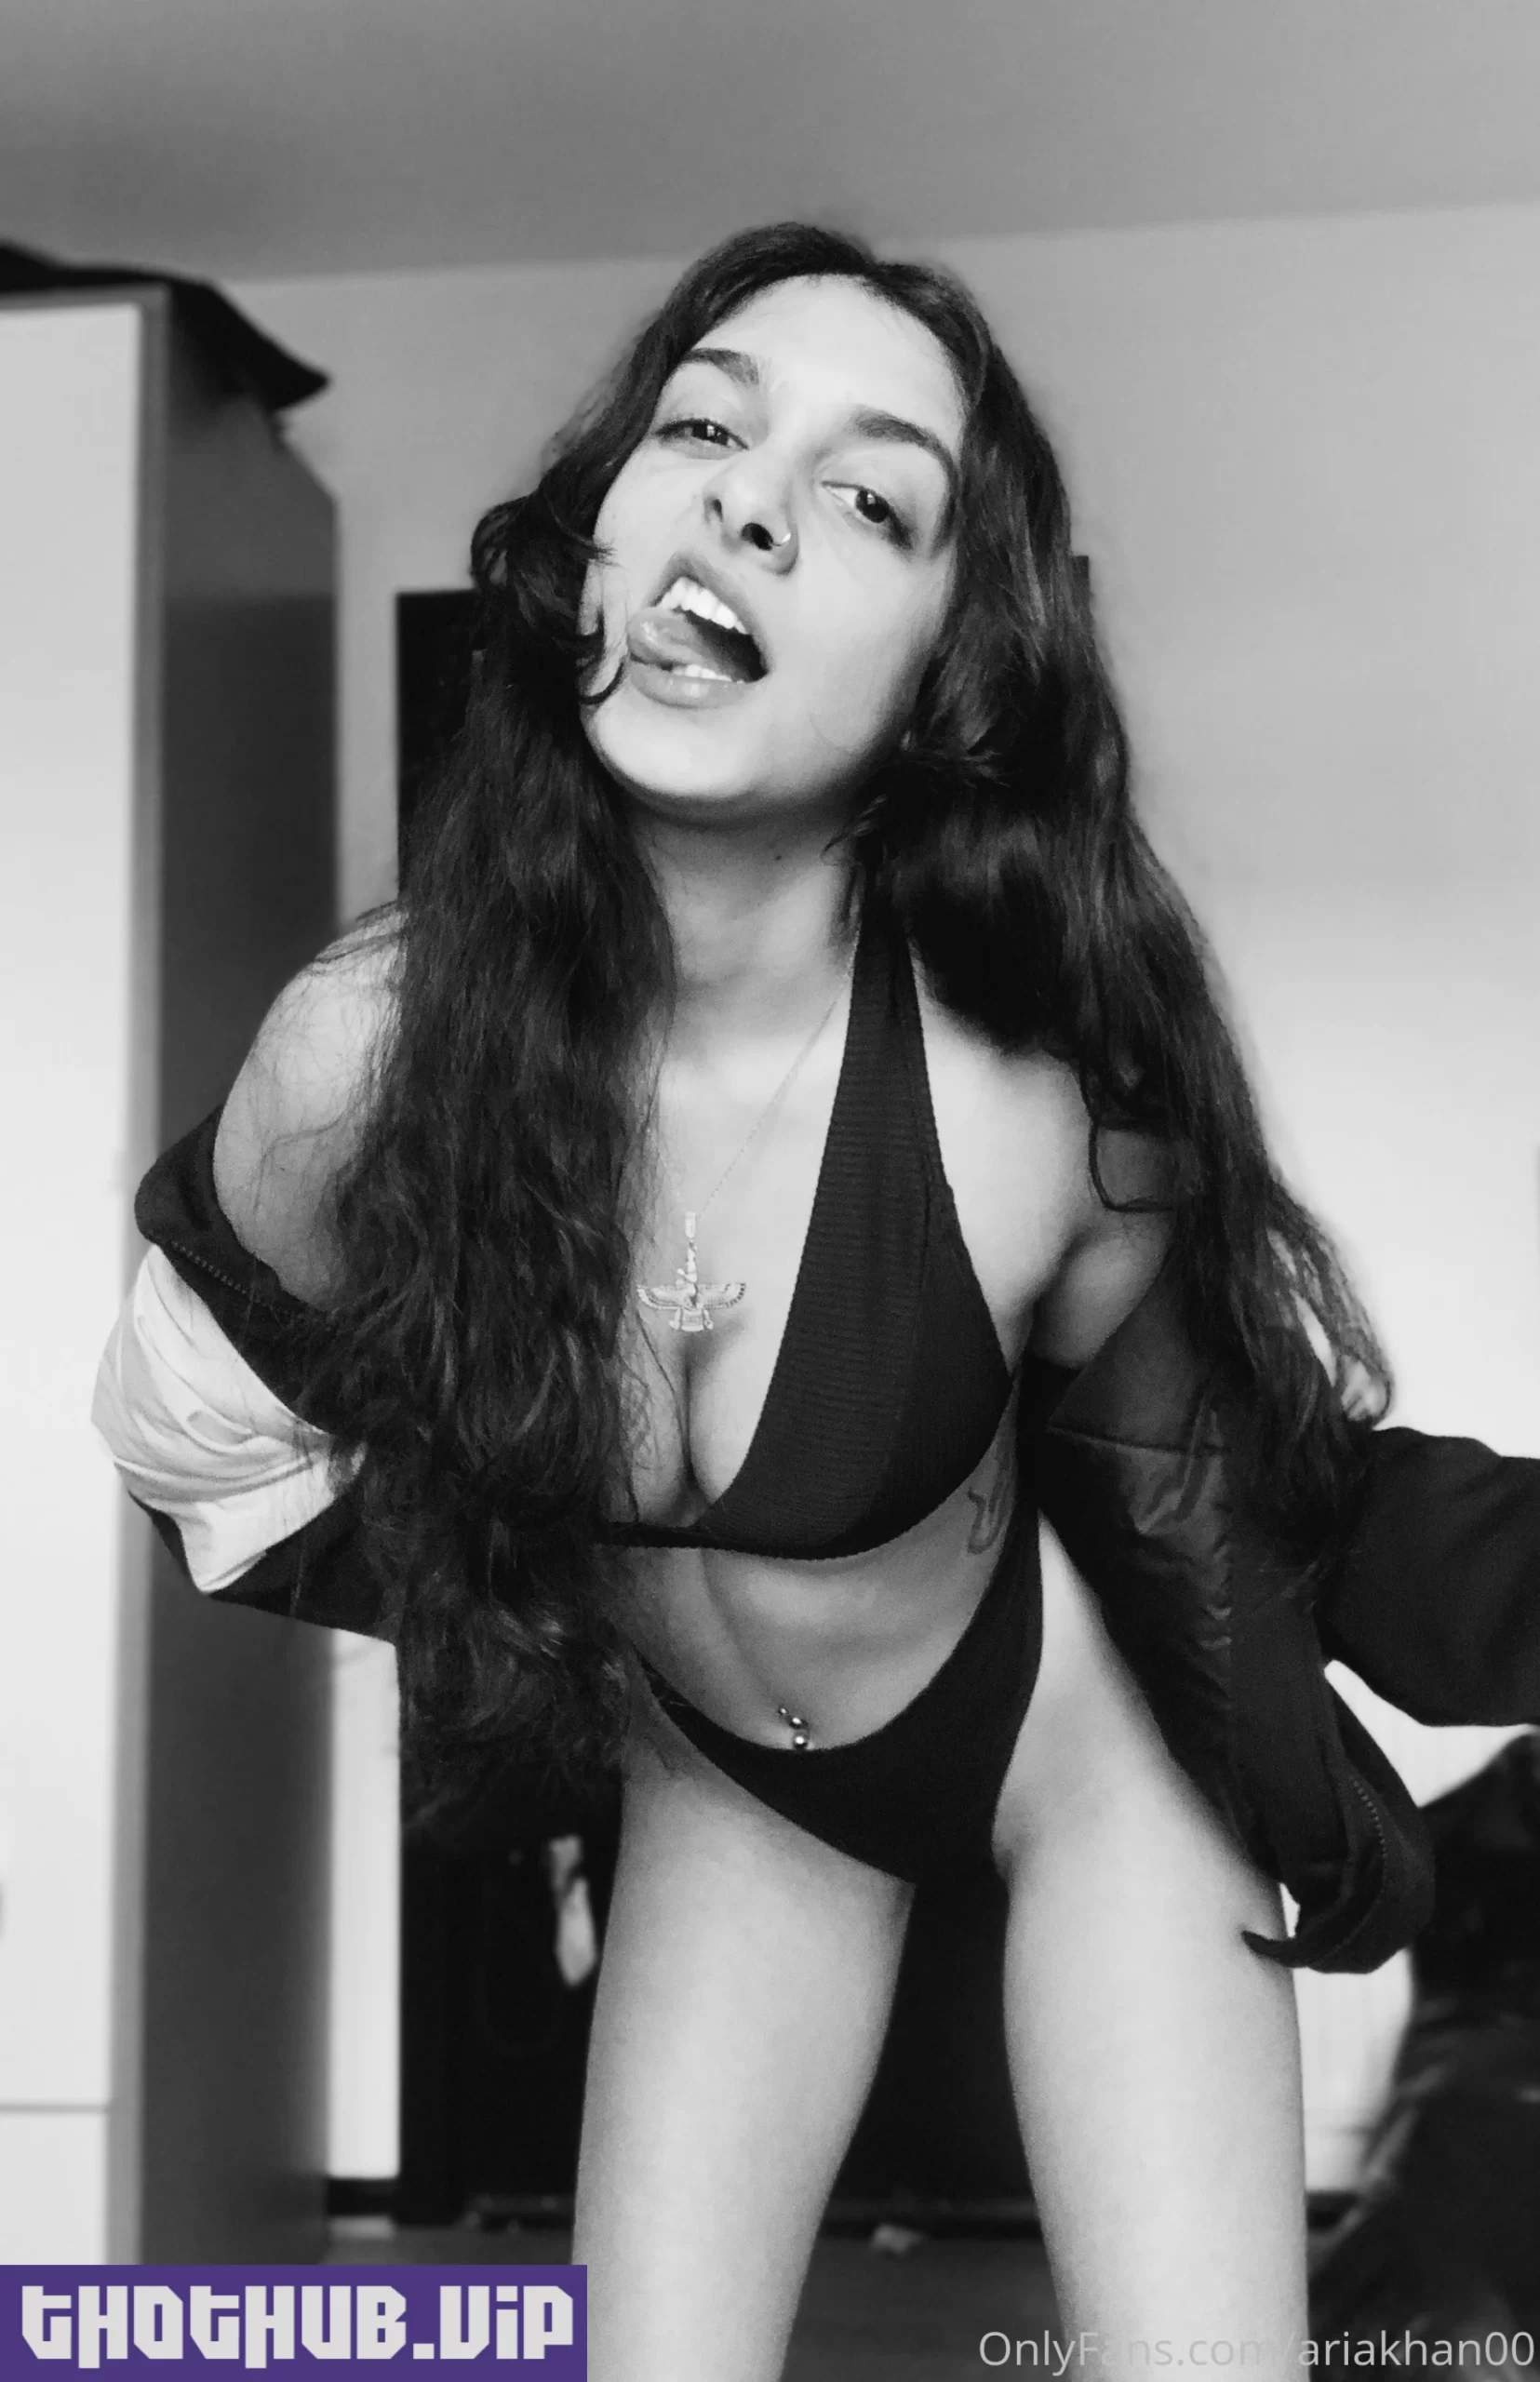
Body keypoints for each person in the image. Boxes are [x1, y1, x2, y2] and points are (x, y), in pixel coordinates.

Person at [93, 222, 1540, 2380]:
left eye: (867, 496)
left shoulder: (1024, 1106)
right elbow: (196, 1435)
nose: (749, 502)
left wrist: (1345, 1781)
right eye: (701, 427)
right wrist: (507, 1588)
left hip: (1076, 1753)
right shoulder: (365, 1060)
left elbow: (1250, 1497)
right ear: (597, 540)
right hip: (733, 1793)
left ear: (947, 675)